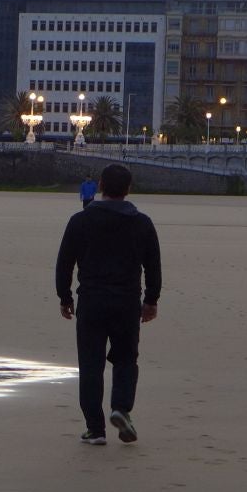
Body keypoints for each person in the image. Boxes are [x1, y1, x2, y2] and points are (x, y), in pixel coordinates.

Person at [55, 163, 162, 445]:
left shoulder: (80, 221)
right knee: (126, 359)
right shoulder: (142, 223)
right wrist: (151, 300)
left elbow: (64, 262)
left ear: (100, 186)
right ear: (128, 189)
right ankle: (121, 408)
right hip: (127, 301)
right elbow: (153, 265)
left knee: (91, 364)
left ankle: (95, 428)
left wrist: (64, 297)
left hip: (91, 300)